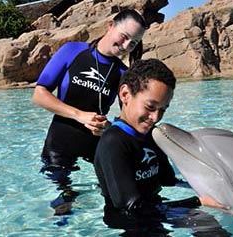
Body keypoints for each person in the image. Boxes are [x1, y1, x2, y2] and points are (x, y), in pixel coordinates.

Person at [94, 58, 229, 236]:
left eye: (163, 109)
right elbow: (131, 207)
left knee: (207, 225)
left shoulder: (151, 136)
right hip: (130, 223)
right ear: (125, 94)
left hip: (155, 211)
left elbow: (168, 179)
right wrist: (197, 201)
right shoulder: (114, 143)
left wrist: (211, 188)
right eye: (150, 106)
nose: (156, 117)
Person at [31, 9, 147, 216]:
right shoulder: (73, 51)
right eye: (125, 36)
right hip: (59, 143)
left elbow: (128, 121)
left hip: (96, 147)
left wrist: (108, 128)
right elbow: (39, 94)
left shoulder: (123, 73)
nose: (127, 45)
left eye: (134, 43)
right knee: (63, 207)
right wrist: (79, 115)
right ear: (110, 26)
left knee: (118, 201)